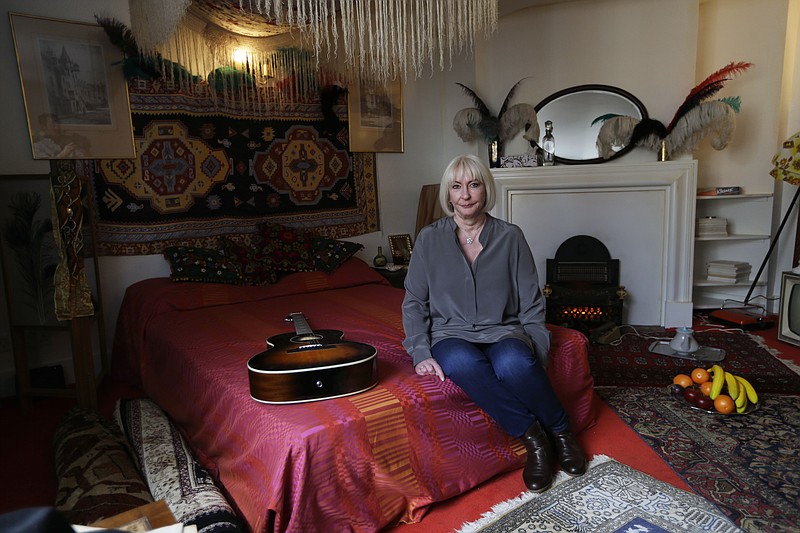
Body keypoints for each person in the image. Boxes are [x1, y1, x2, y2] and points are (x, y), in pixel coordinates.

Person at [401, 154, 587, 493]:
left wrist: (536, 351)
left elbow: (531, 303)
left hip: (503, 329)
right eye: (456, 187)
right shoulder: (429, 239)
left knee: (515, 363)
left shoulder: (510, 237)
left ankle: (562, 430)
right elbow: (414, 302)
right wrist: (419, 351)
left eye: (473, 185)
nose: (466, 194)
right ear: (448, 193)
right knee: (458, 361)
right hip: (450, 332)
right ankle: (536, 438)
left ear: (485, 189)